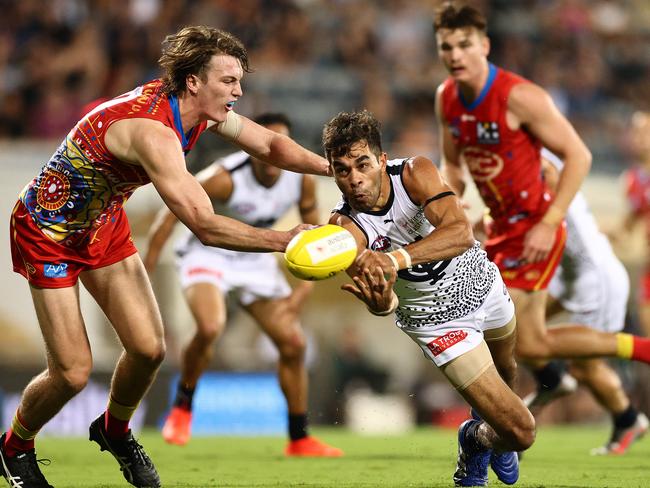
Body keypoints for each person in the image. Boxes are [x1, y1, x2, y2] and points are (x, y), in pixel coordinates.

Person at [2, 26, 330, 488]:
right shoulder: (154, 133)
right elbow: (205, 224)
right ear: (193, 80)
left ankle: (113, 430)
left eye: (239, 81)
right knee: (73, 372)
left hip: (101, 222)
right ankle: (14, 447)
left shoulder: (199, 110)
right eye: (229, 81)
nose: (238, 91)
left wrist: (332, 166)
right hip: (47, 230)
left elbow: (270, 145)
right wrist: (286, 240)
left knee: (149, 349)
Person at [433, 3, 650, 404]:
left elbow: (579, 155)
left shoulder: (520, 97)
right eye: (446, 47)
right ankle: (569, 379)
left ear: (485, 45)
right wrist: (454, 197)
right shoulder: (447, 97)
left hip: (533, 226)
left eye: (464, 45)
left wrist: (549, 222)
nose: (454, 55)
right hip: (498, 227)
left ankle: (500, 426)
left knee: (502, 332)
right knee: (522, 342)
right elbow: (453, 161)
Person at [325, 109, 535, 487]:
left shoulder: (414, 172)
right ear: (333, 173)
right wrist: (381, 304)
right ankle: (474, 439)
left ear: (381, 159)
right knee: (521, 432)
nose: (355, 179)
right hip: (436, 322)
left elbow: (461, 233)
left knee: (509, 374)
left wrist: (394, 258)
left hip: (482, 285)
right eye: (342, 170)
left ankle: (488, 433)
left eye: (362, 164)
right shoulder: (343, 229)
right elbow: (384, 301)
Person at [143, 112, 342, 457]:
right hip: (208, 253)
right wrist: (147, 267)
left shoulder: (300, 181)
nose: (274, 160)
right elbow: (169, 213)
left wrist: (305, 287)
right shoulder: (223, 178)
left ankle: (299, 438)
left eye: (281, 151)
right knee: (210, 326)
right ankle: (182, 406)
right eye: (267, 151)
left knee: (293, 343)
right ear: (254, 150)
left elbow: (315, 236)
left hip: (255, 257)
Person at [527, 150, 648, 455]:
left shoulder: (540, 163)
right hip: (568, 277)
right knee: (518, 327)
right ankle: (552, 379)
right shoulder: (530, 159)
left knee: (583, 367)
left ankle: (626, 416)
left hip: (595, 279)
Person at [621, 111, 650, 337]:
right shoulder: (632, 179)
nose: (638, 137)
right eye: (635, 131)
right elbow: (630, 223)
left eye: (644, 131)